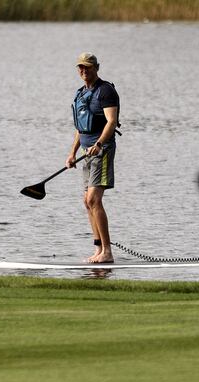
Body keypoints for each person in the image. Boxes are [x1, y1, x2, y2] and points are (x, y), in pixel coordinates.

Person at [65, 52, 120, 263]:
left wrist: (98, 144)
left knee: (93, 199)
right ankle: (98, 249)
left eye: (88, 67)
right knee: (87, 202)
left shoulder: (106, 91)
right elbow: (81, 127)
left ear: (97, 67)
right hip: (86, 154)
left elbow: (111, 122)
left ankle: (107, 251)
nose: (84, 71)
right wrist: (71, 153)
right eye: (80, 67)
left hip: (102, 151)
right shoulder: (80, 94)